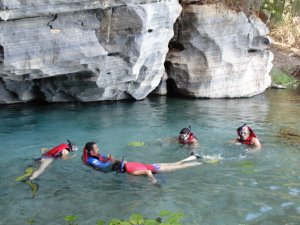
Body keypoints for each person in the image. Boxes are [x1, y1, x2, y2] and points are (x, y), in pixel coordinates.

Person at [112, 154, 202, 184]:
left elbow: (147, 172)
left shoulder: (133, 173)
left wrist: (153, 180)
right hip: (155, 165)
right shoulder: (127, 163)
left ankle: (199, 163)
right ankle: (193, 157)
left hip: (158, 170)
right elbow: (121, 162)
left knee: (182, 166)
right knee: (176, 163)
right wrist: (113, 159)